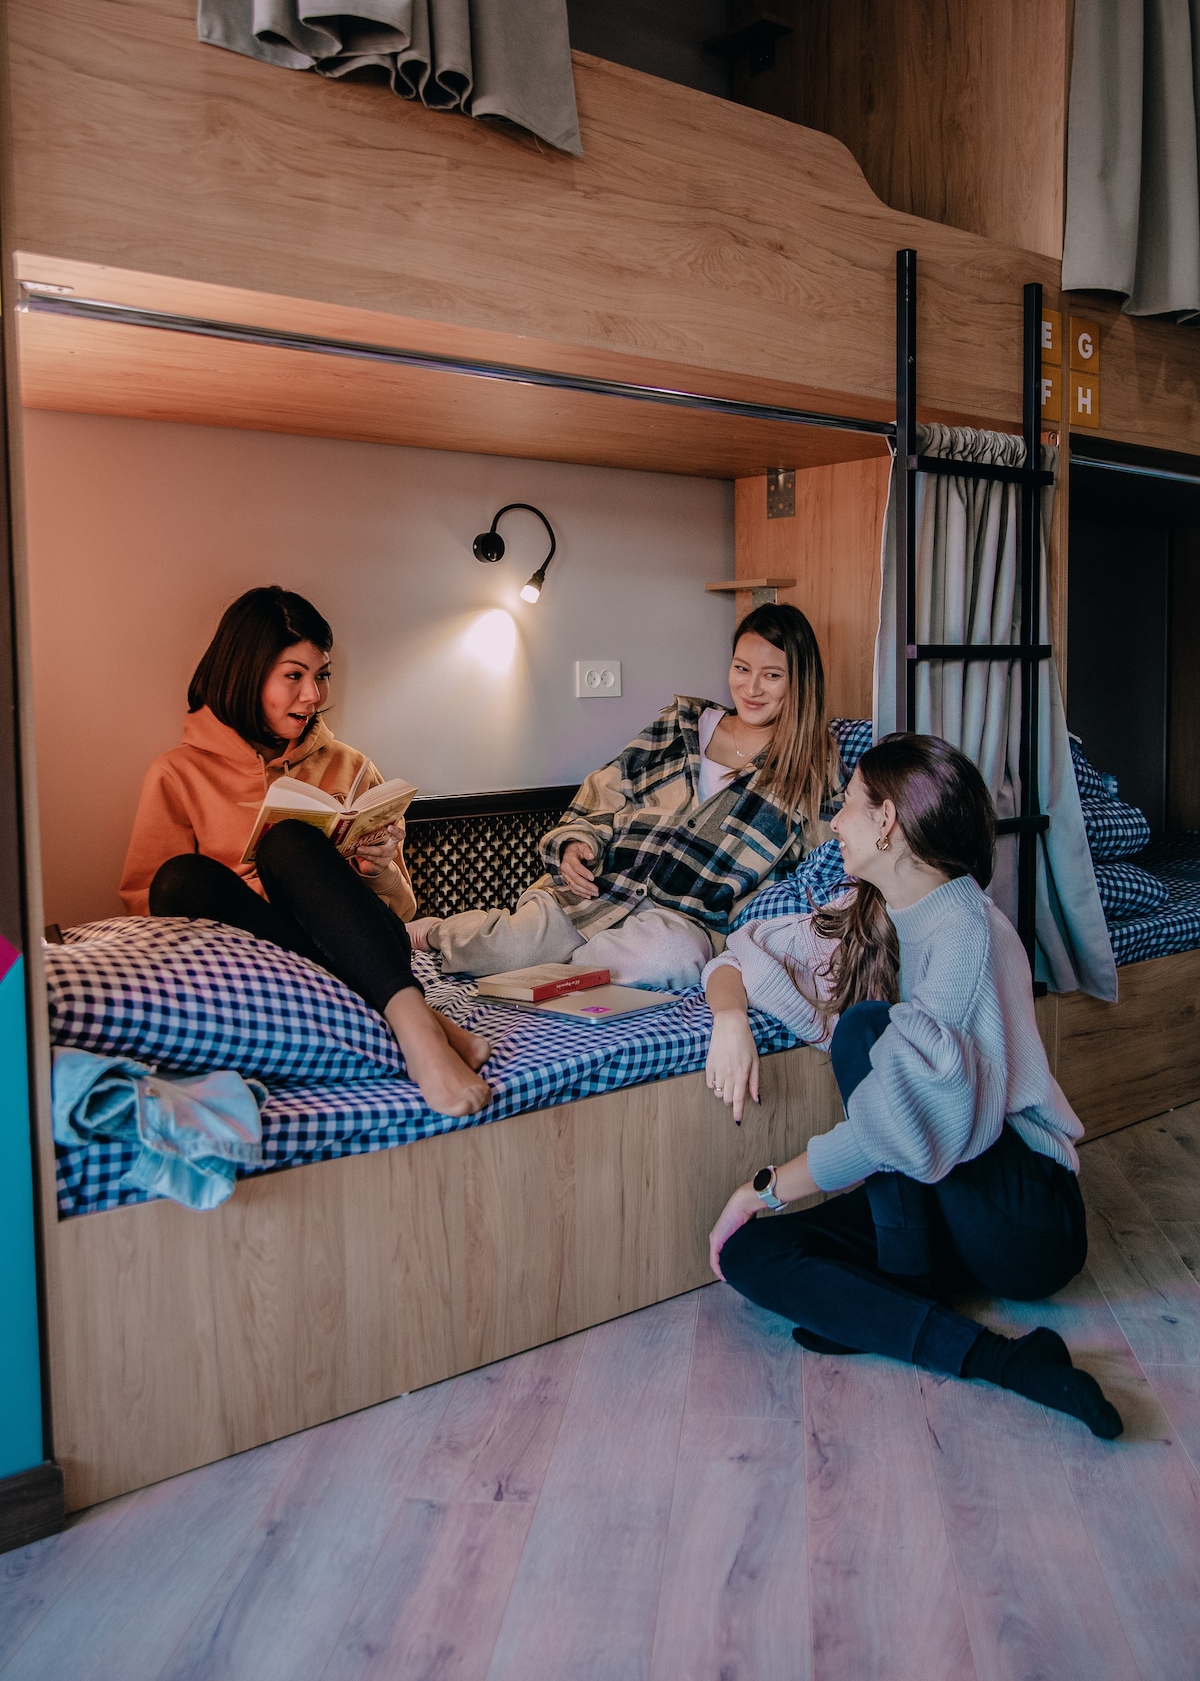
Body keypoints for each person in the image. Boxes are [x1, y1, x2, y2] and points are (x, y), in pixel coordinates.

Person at [704, 732, 1123, 1439]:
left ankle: (985, 1353)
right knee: (753, 1255)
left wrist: (765, 1186)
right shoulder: (878, 915)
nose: (835, 821)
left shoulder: (968, 933)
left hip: (1024, 1216)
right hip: (934, 1193)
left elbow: (899, 1124)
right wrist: (730, 1017)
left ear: (888, 821)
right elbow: (743, 946)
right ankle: (917, 1301)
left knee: (867, 1030)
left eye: (848, 804)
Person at [121, 587, 491, 1118]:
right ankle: (435, 1026)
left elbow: (403, 912)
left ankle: (417, 1033)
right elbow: (144, 905)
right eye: (294, 675)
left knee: (290, 841)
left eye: (320, 675)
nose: (313, 695)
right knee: (178, 878)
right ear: (246, 674)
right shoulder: (176, 773)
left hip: (366, 944)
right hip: (253, 956)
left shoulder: (352, 768)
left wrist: (378, 869)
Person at [410, 603, 841, 989]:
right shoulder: (683, 725)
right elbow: (607, 787)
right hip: (605, 887)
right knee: (502, 949)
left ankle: (550, 968)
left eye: (772, 675)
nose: (751, 688)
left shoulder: (812, 765)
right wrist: (579, 842)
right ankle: (433, 933)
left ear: (799, 681)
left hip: (687, 918)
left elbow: (820, 863)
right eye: (742, 669)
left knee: (668, 957)